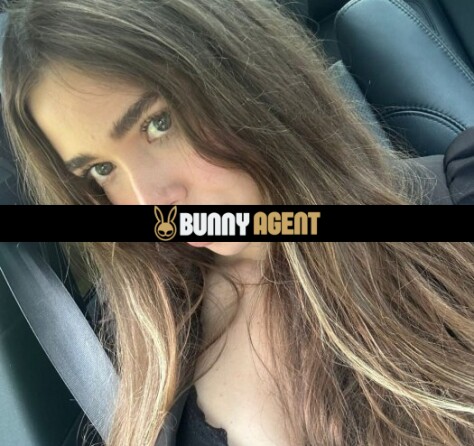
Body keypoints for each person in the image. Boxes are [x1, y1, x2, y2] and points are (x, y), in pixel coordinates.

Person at [1, 1, 474, 445]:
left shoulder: (452, 200)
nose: (149, 202)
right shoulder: (137, 349)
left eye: (158, 124)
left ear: (242, 78)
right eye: (102, 170)